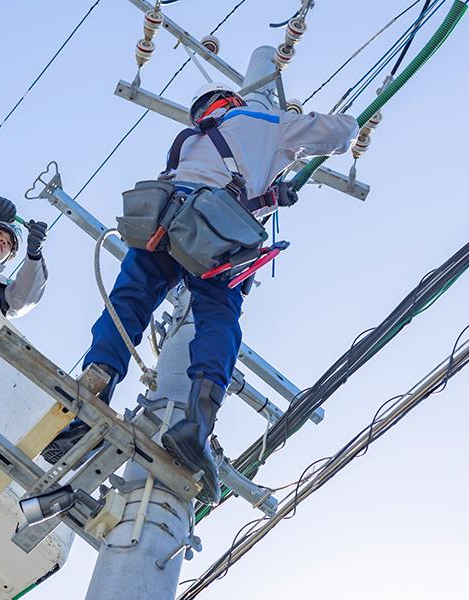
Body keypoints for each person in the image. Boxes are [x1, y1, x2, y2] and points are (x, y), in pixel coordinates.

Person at [44, 82, 358, 504]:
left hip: (161, 218)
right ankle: (195, 425)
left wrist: (271, 194)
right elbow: (340, 132)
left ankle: (89, 401)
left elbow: (217, 178)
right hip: (214, 233)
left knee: (128, 304)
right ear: (233, 102)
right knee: (218, 319)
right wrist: (306, 126)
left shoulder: (187, 141)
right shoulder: (256, 120)